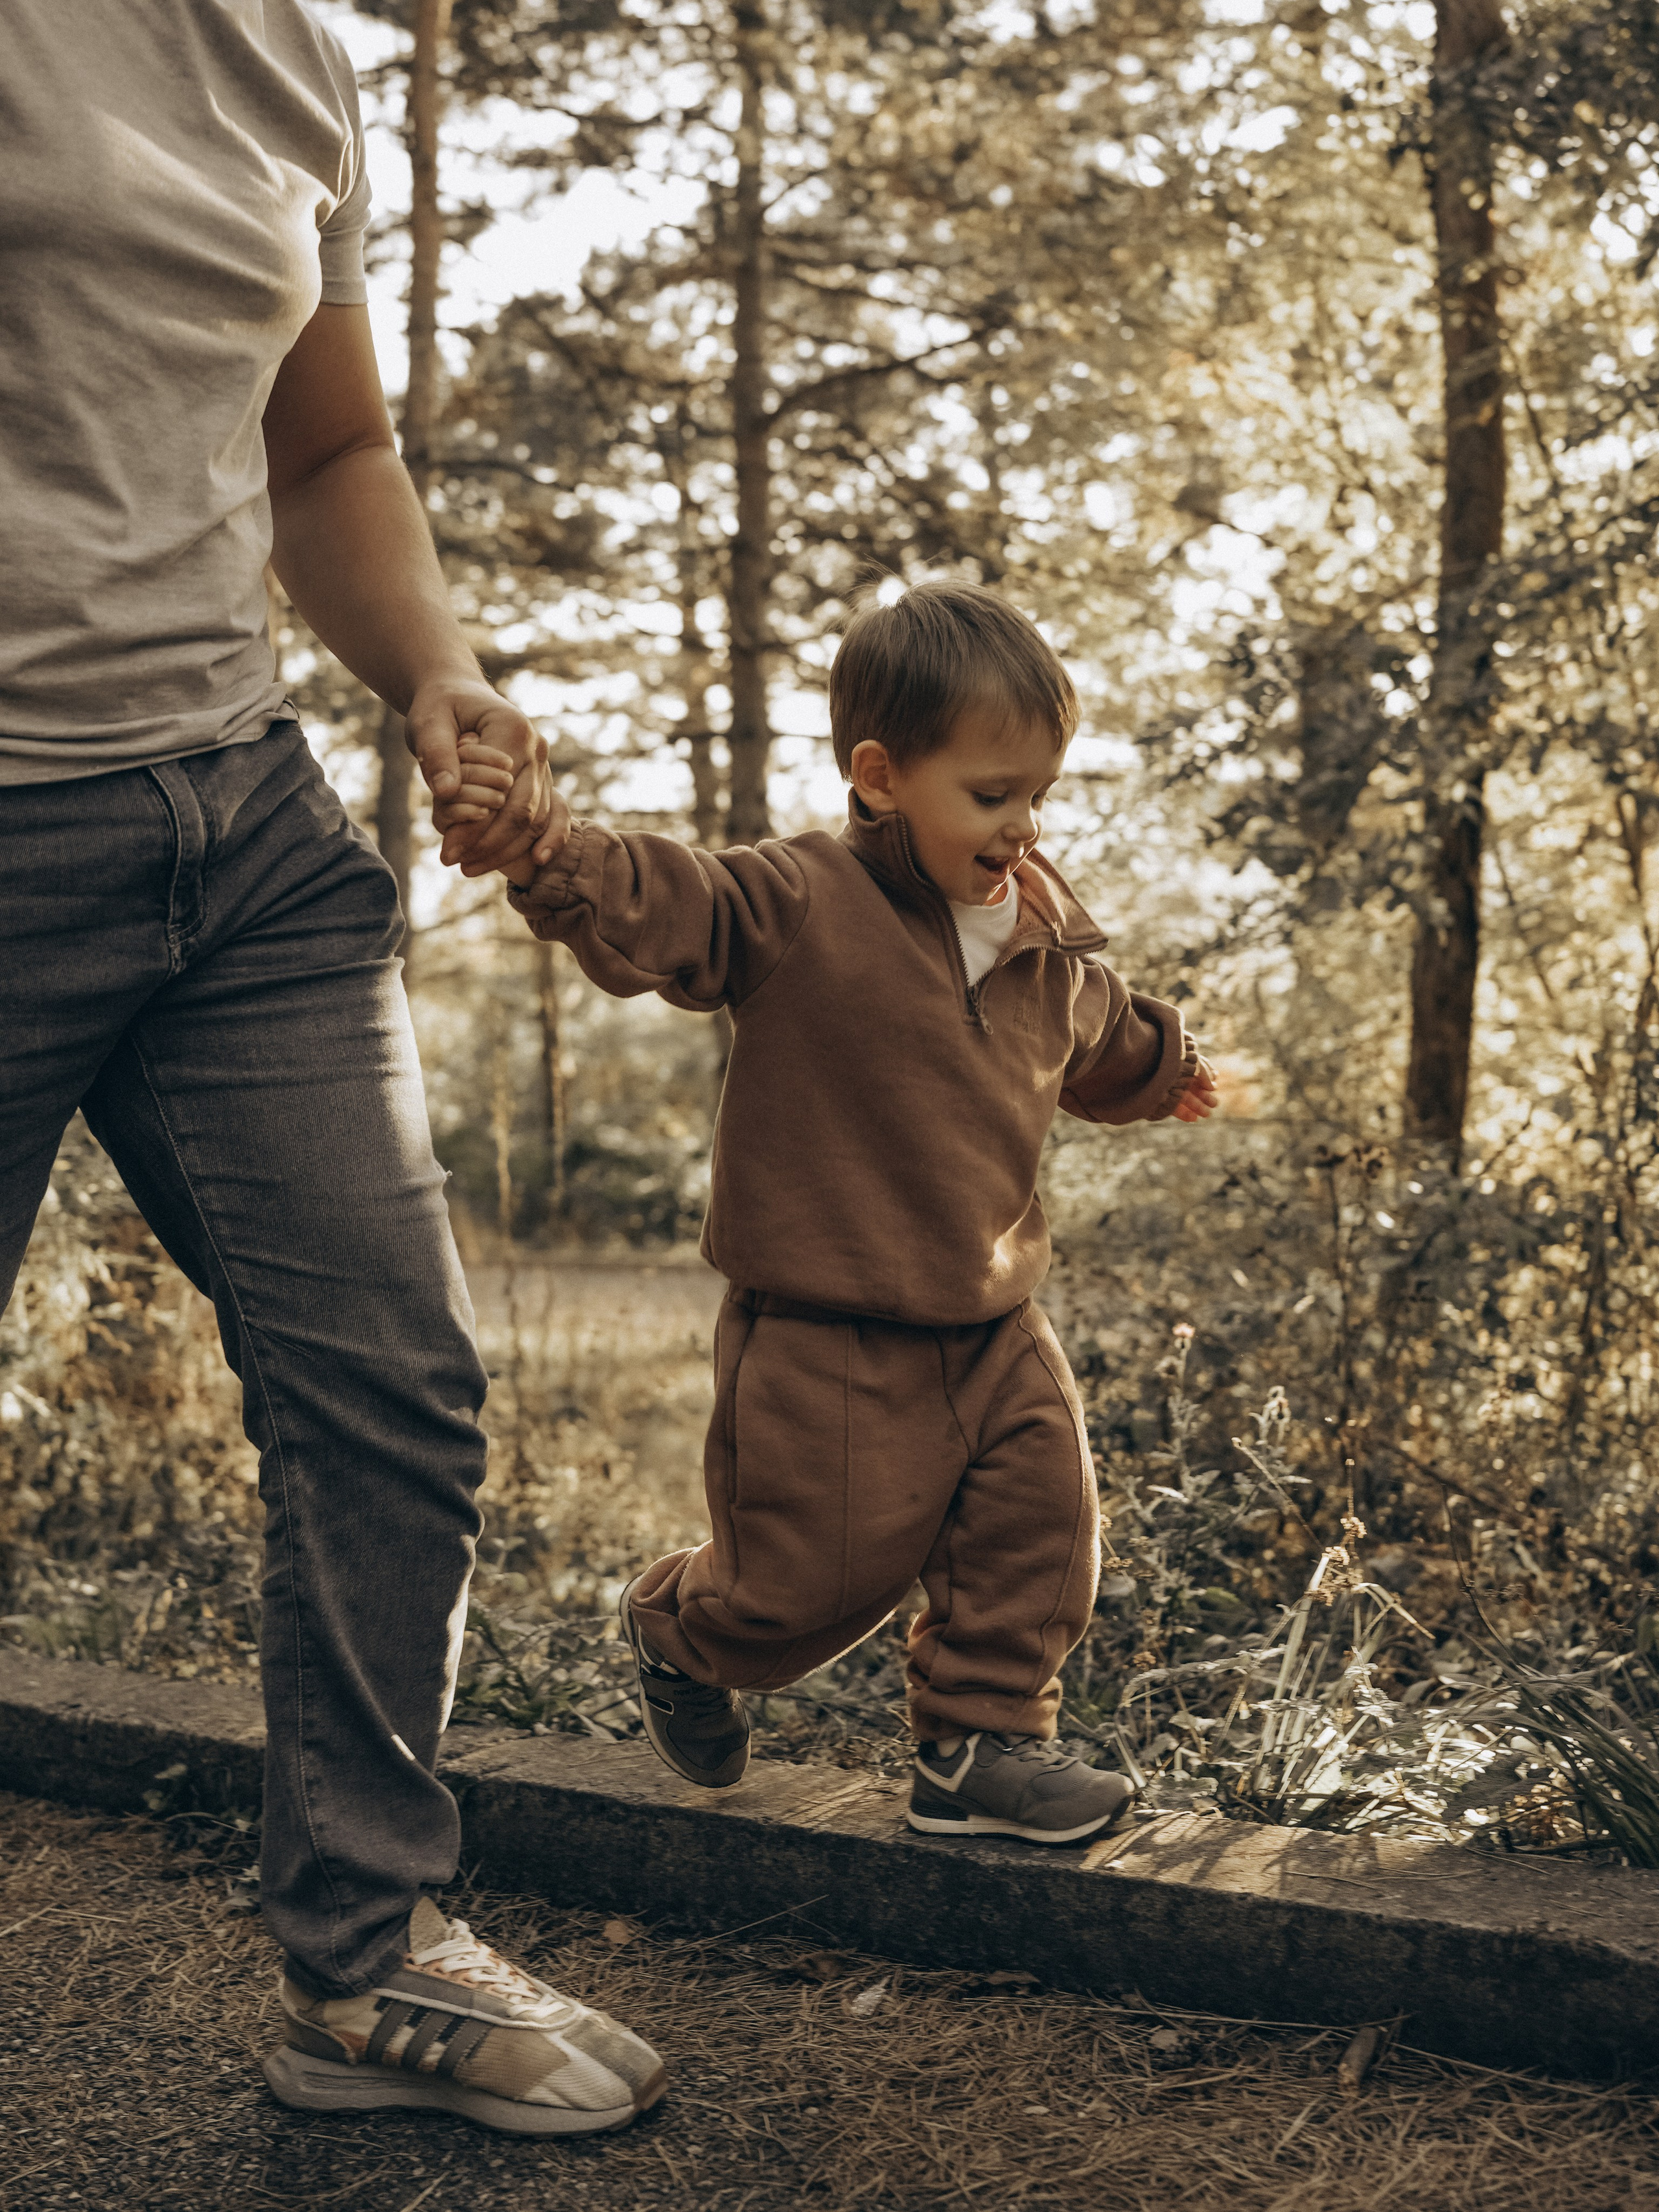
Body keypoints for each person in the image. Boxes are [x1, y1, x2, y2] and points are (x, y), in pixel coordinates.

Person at [1, 0, 664, 2137]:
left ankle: (372, 1955)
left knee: (392, 1374)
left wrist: (439, 671)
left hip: (239, 826)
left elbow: (326, 459)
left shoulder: (290, 49)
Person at [475, 580, 1219, 1846]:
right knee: (805, 1586)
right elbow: (677, 901)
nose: (1021, 824)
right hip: (821, 1324)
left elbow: (1100, 1034)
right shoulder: (801, 899)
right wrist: (554, 854)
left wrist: (1170, 1069)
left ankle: (978, 1753)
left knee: (1040, 1528)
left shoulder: (1045, 939)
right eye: (990, 795)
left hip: (990, 1316)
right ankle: (681, 1633)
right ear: (879, 776)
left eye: (1039, 793)